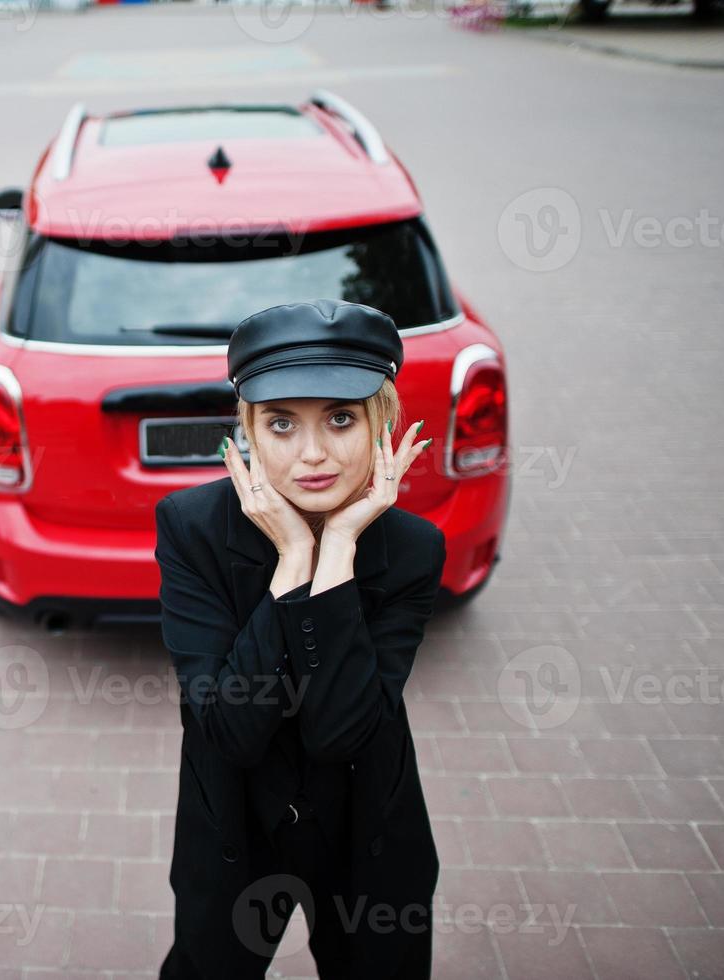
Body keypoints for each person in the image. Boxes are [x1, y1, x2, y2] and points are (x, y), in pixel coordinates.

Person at [154, 298, 445, 980]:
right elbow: (228, 731)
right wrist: (292, 562)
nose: (312, 454)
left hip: (366, 829)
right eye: (281, 423)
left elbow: (341, 733)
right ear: (248, 431)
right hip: (232, 828)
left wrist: (337, 549)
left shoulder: (408, 549)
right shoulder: (192, 528)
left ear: (382, 423)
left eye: (339, 419)